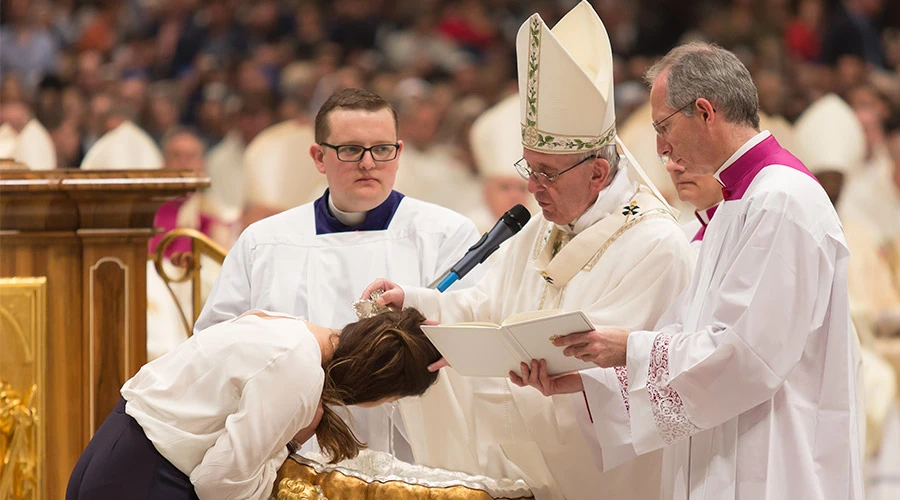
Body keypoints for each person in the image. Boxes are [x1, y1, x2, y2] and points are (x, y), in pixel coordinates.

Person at [363, 3, 695, 499]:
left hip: (604, 472)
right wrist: (416, 303)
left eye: (547, 173)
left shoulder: (654, 244)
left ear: (598, 174)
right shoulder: (543, 224)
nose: (533, 187)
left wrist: (563, 369)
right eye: (530, 168)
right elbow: (488, 307)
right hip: (526, 452)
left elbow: (637, 370)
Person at [515, 41, 864, 499]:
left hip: (775, 462)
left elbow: (745, 358)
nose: (661, 147)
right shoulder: (736, 204)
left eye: (663, 126)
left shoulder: (780, 201)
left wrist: (630, 350)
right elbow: (692, 333)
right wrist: (588, 382)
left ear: (704, 111)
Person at [195, 88, 482, 461]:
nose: (368, 163)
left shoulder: (446, 234)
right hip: (296, 445)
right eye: (350, 150)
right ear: (318, 156)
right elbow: (216, 343)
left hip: (418, 450)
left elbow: (476, 331)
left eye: (382, 149)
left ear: (398, 152)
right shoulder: (265, 242)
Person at [66, 308, 441, 500]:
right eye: (391, 398)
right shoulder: (299, 369)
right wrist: (291, 444)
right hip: (147, 479)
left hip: (114, 451)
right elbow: (219, 484)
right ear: (379, 384)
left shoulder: (288, 326)